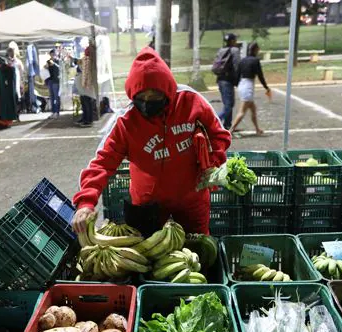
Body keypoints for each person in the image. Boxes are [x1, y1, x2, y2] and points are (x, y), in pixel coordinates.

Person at [71, 47, 232, 236]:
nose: (148, 102)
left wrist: (213, 162)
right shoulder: (125, 122)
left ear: (167, 91)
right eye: (141, 97)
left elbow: (219, 134)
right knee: (148, 257)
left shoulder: (190, 101)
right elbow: (102, 163)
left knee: (199, 252)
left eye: (155, 96)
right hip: (147, 205)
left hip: (192, 198)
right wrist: (86, 202)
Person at [229, 42, 271, 136]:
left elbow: (237, 75)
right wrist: (266, 87)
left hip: (241, 85)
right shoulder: (255, 60)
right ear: (255, 49)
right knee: (242, 112)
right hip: (248, 86)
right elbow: (260, 76)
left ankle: (257, 129)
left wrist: (236, 85)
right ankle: (230, 131)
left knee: (253, 109)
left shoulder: (243, 60)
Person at [213, 33, 241, 129]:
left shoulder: (221, 50)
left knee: (228, 104)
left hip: (220, 80)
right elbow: (237, 65)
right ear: (232, 41)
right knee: (229, 105)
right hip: (228, 80)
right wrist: (239, 79)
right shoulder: (235, 50)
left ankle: (227, 125)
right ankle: (214, 121)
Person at [45, 49, 61, 118]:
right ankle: (53, 112)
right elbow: (45, 69)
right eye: (51, 54)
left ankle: (57, 112)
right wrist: (46, 66)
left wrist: (54, 64)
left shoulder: (58, 61)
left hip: (56, 81)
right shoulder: (48, 61)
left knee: (56, 97)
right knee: (51, 97)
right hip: (50, 81)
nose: (52, 56)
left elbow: (59, 69)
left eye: (54, 54)